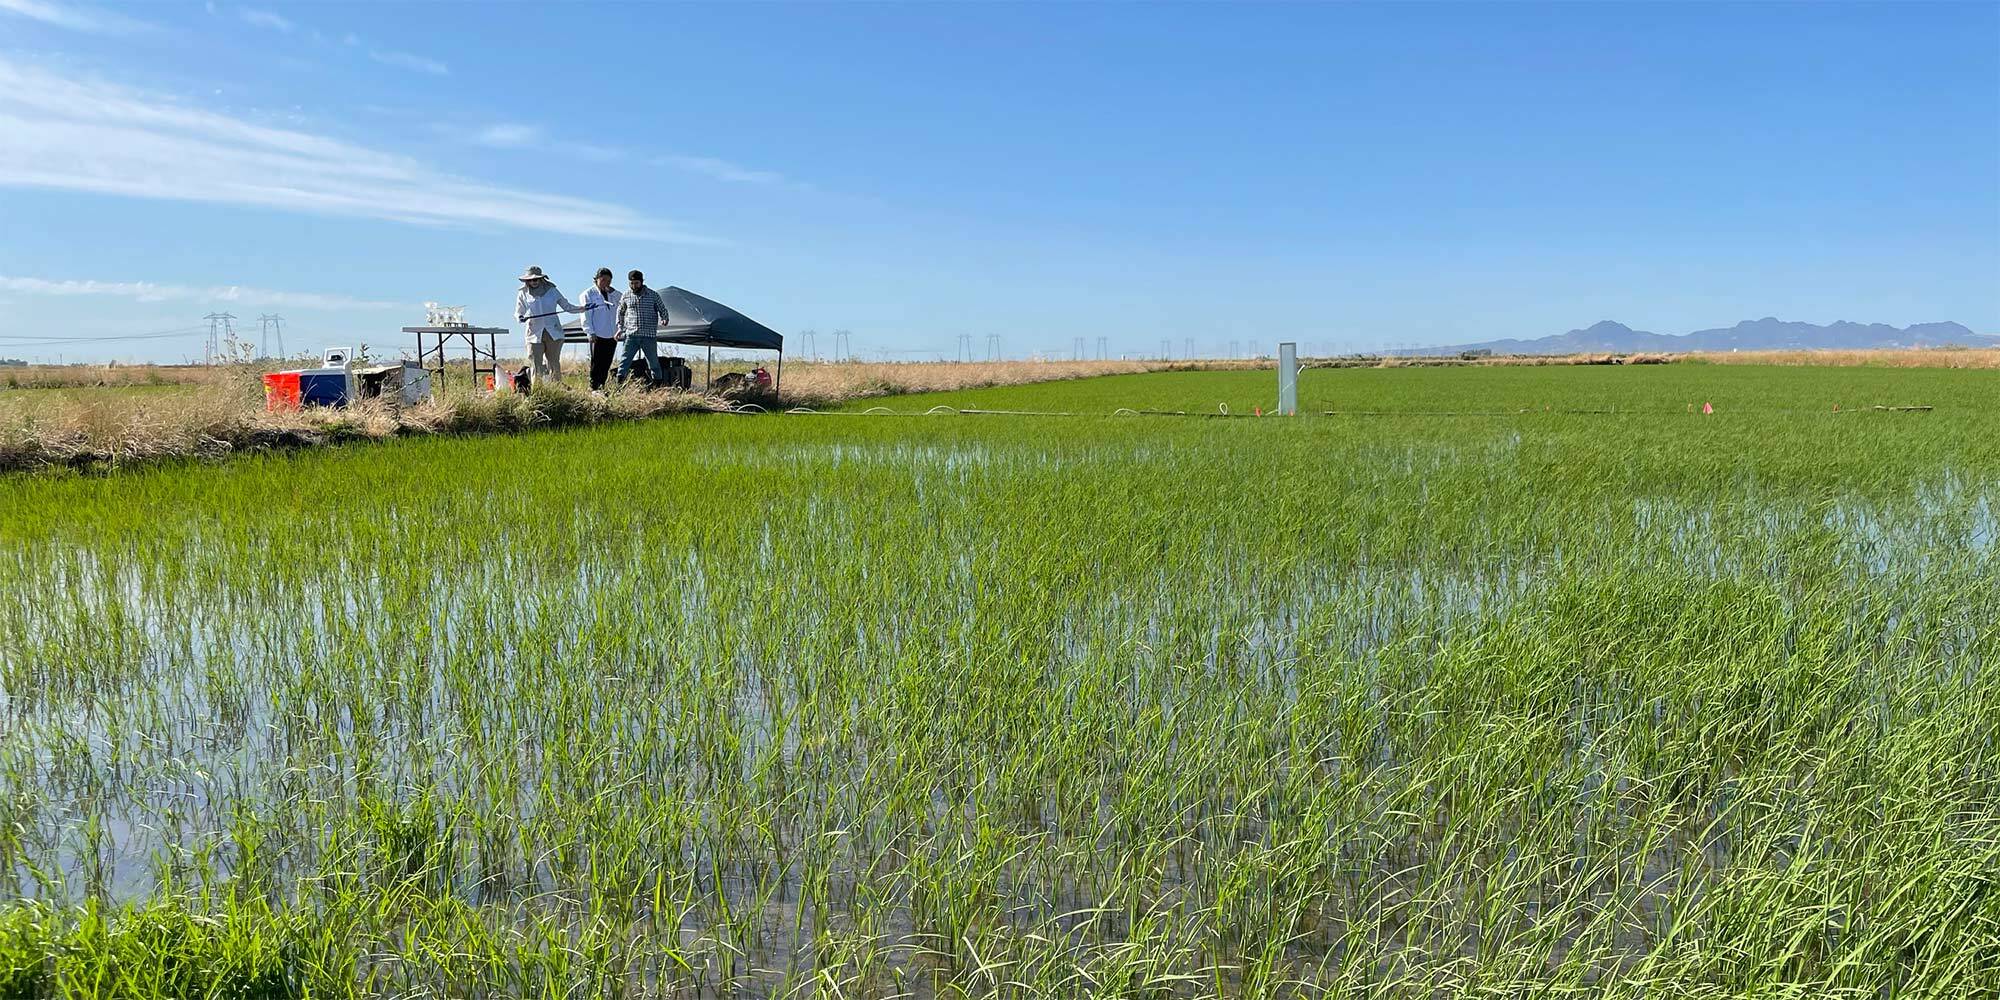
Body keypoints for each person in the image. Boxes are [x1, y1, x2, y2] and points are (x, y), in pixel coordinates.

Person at [513, 265, 583, 385]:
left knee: (553, 363)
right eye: (530, 280)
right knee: (536, 364)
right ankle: (537, 392)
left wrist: (583, 308)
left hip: (553, 333)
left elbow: (567, 307)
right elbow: (519, 311)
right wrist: (520, 317)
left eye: (536, 279)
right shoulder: (523, 293)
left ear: (541, 279)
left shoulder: (552, 290)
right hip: (534, 333)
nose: (533, 282)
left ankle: (556, 390)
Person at [615, 269, 669, 384]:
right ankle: (619, 385)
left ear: (642, 282)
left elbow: (662, 309)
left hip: (648, 335)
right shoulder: (626, 295)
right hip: (631, 335)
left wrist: (664, 318)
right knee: (624, 362)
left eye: (636, 283)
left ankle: (657, 386)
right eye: (631, 283)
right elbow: (620, 312)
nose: (634, 286)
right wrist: (620, 328)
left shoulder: (653, 295)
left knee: (653, 362)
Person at [579, 267, 622, 390]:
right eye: (603, 280)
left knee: (607, 362)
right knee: (596, 362)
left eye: (609, 281)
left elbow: (623, 301)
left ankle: (602, 386)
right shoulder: (588, 294)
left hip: (612, 333)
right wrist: (589, 332)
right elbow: (585, 315)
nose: (606, 283)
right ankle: (593, 387)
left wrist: (613, 291)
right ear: (596, 279)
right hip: (597, 333)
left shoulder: (613, 294)